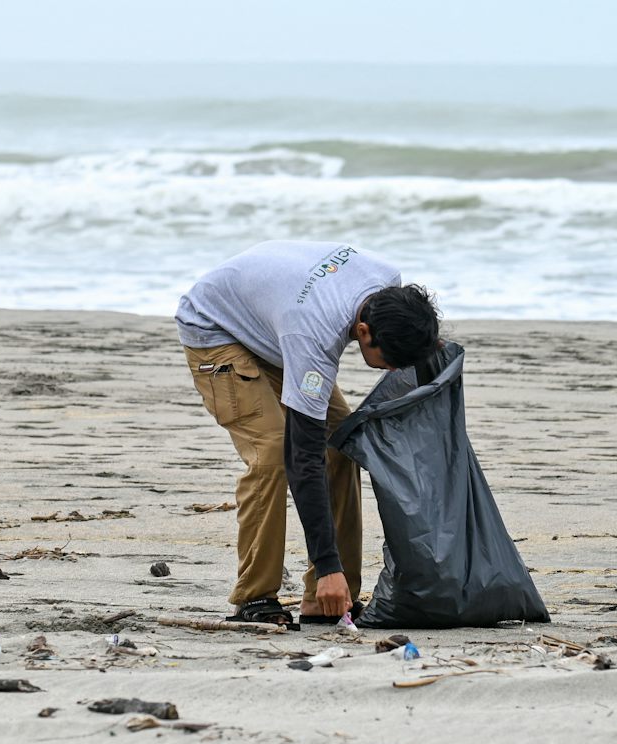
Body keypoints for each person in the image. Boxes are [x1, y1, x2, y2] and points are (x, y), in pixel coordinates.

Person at [177, 242, 439, 626]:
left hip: (277, 325)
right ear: (363, 332)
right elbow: (303, 456)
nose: (392, 370)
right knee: (272, 453)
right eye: (388, 361)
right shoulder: (313, 336)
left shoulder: (388, 280)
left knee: (343, 447)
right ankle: (254, 596)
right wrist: (326, 561)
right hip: (216, 328)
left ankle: (329, 597)